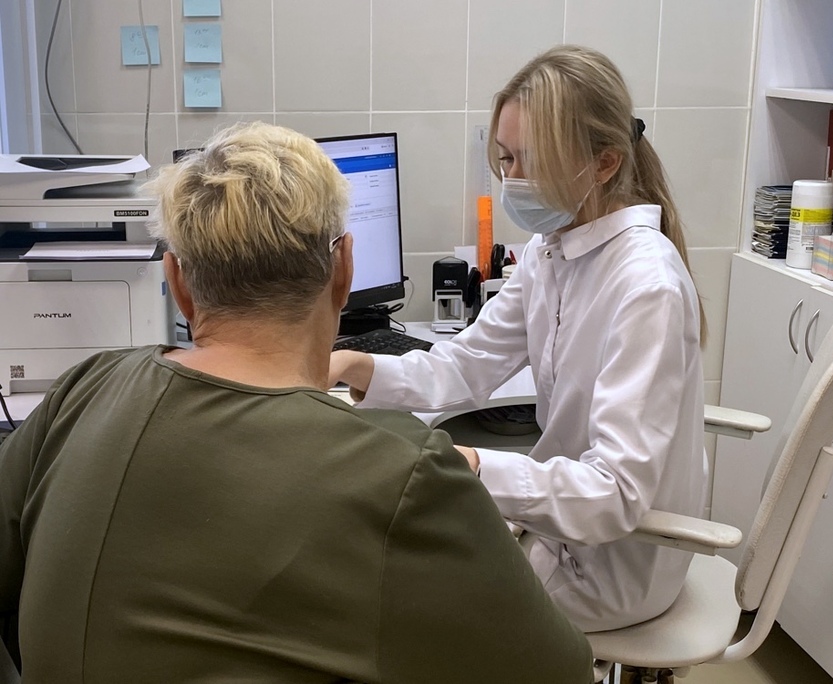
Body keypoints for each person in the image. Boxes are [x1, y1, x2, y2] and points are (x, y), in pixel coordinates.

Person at [0, 122, 593, 683]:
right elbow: (557, 671)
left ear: (177, 283)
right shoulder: (401, 474)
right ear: (344, 269)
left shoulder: (80, 391)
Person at [331, 43, 708, 642]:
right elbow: (466, 365)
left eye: (532, 162)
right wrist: (353, 365)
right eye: (505, 159)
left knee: (392, 595)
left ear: (604, 163)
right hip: (565, 535)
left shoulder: (646, 286)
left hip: (612, 566)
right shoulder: (552, 251)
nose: (512, 180)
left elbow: (614, 495)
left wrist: (475, 464)